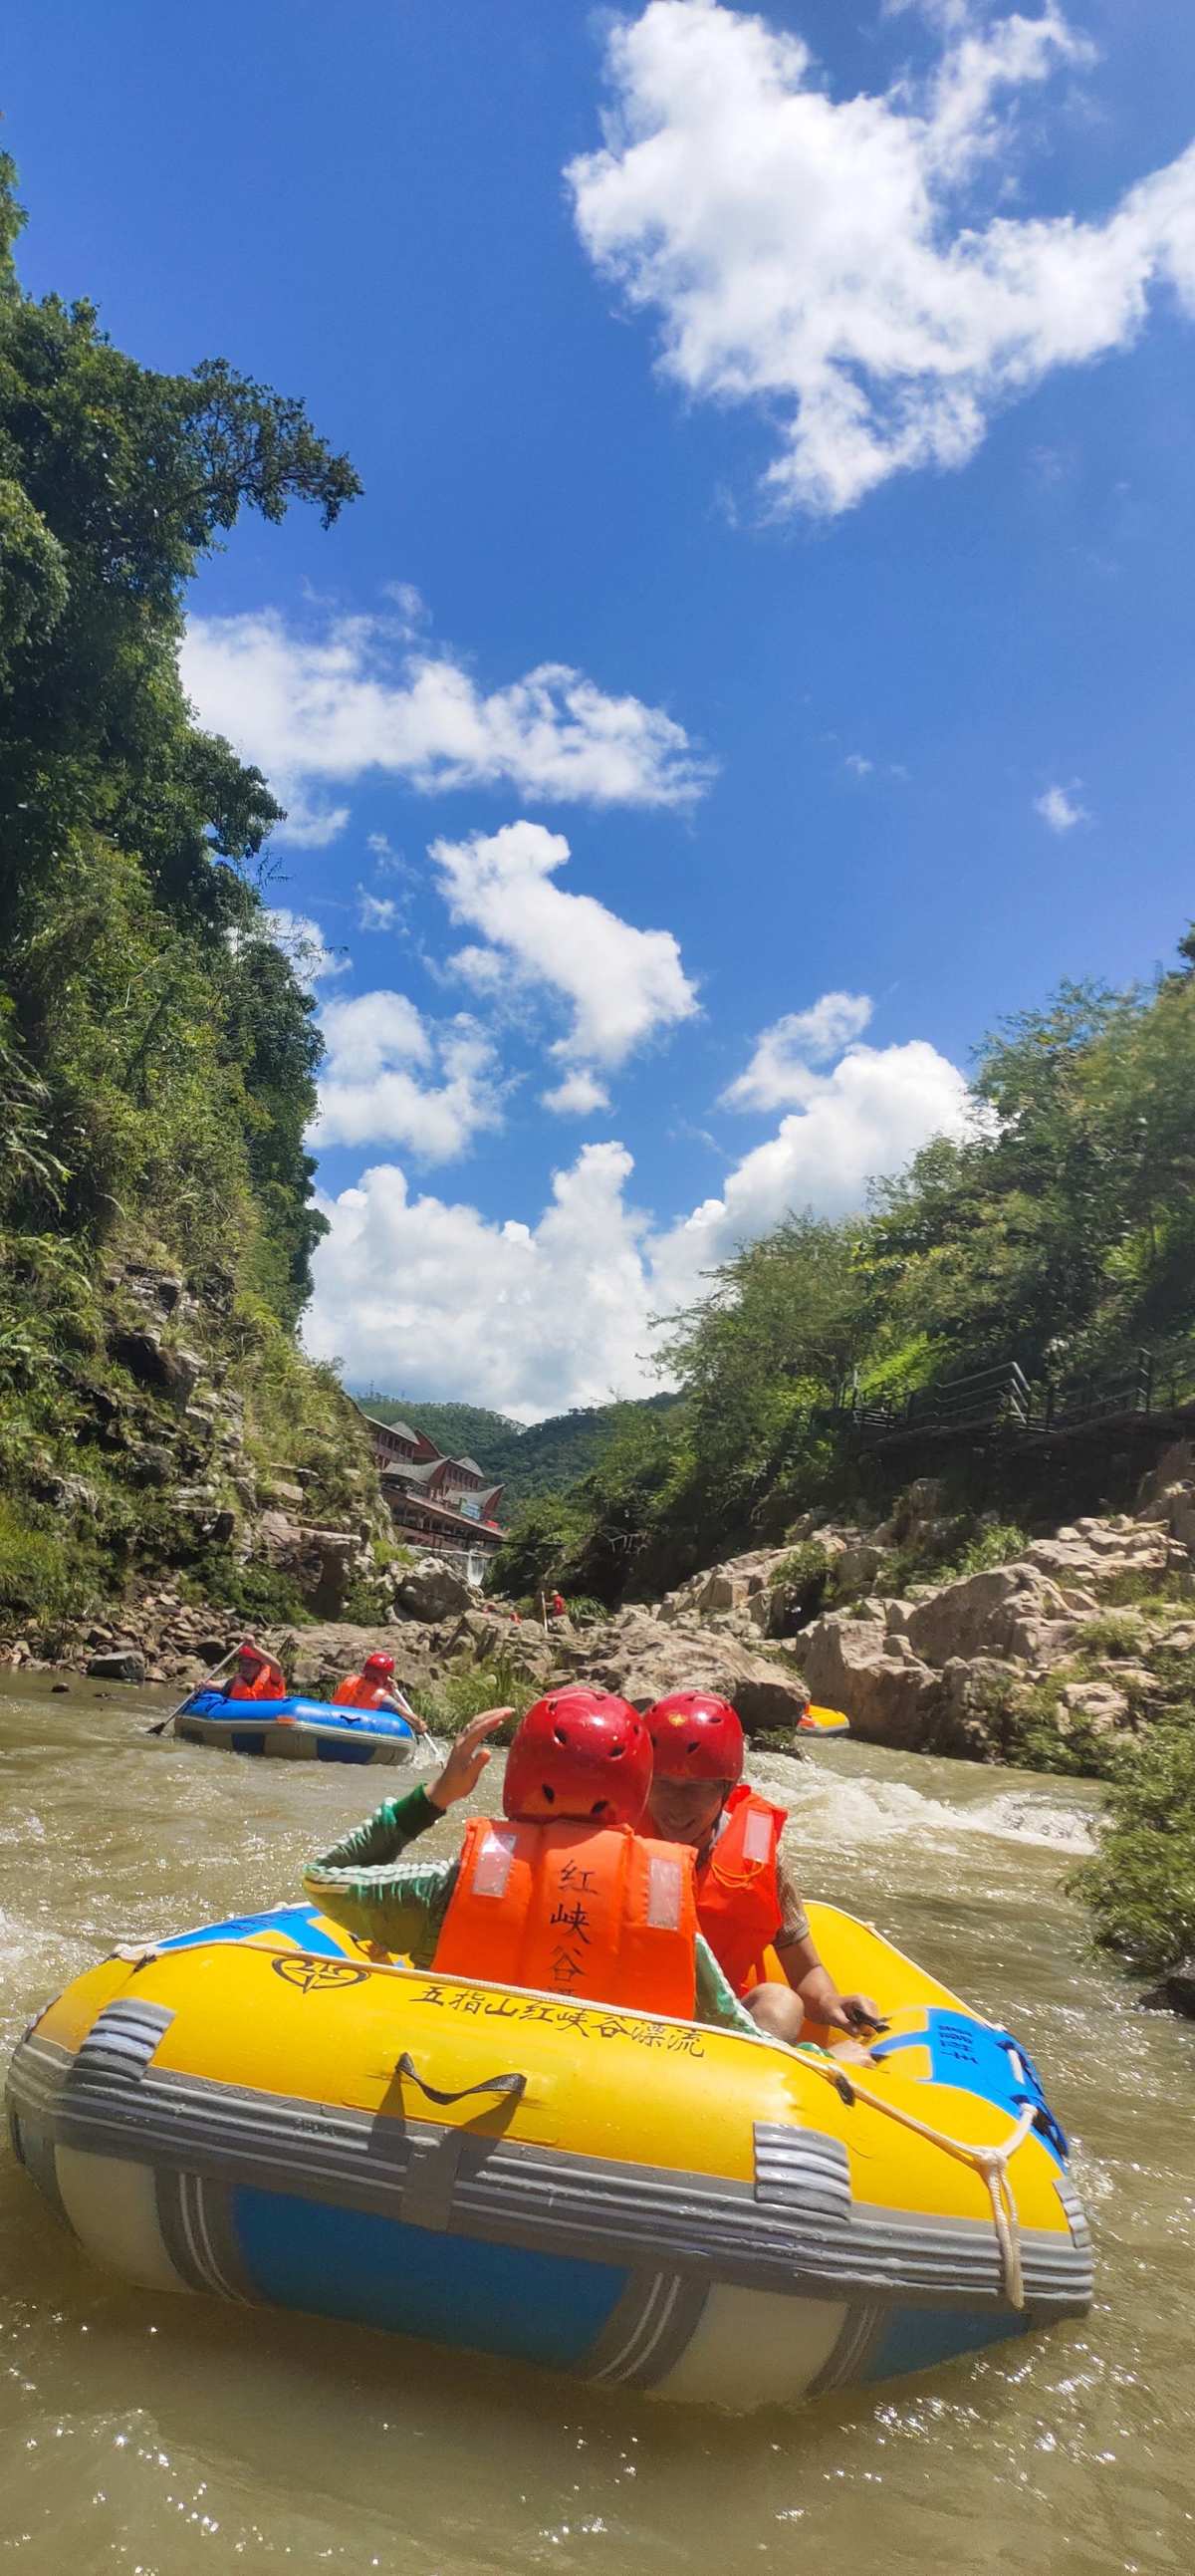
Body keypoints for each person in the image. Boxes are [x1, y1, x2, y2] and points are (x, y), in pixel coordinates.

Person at [304, 1692, 760, 2033]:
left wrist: (435, 1797)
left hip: (455, 2085)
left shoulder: (446, 1891)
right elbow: (737, 2032)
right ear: (636, 1790)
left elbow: (323, 1879)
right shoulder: (663, 1912)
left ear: (520, 1776)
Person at [644, 1691, 881, 2049]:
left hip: (717, 2025)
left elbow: (805, 1972)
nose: (676, 1807)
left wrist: (832, 2002)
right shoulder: (616, 1838)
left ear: (726, 1788)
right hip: (624, 2014)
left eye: (695, 1789)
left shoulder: (761, 1853)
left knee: (781, 2003)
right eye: (662, 1785)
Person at [332, 1651, 429, 1735]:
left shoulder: (350, 1681)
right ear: (384, 1676)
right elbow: (406, 1715)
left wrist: (388, 1687)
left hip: (332, 1723)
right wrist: (420, 1724)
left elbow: (365, 1690)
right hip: (358, 1731)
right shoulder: (381, 1697)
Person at [224, 1636, 286, 1701]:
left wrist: (253, 1647)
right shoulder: (234, 1681)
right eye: (243, 1663)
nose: (246, 1667)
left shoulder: (272, 1678)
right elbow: (220, 1685)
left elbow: (276, 1666)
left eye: (250, 1664)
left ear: (260, 1666)